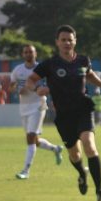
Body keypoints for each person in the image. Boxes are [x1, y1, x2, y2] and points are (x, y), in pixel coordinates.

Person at [24, 25, 101, 201]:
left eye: (70, 39)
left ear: (75, 41)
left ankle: (100, 192)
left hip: (83, 109)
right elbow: (30, 80)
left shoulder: (83, 60)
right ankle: (82, 173)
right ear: (57, 42)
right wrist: (37, 88)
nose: (67, 43)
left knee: (89, 145)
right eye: (63, 40)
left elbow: (89, 75)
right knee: (74, 155)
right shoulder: (50, 64)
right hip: (64, 116)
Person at [9, 44, 64, 180]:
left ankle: (26, 171)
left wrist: (41, 90)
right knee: (35, 141)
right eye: (26, 52)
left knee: (30, 138)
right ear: (23, 54)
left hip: (38, 105)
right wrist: (16, 89)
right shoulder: (18, 70)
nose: (28, 54)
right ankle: (56, 149)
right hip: (24, 107)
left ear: (35, 54)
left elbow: (52, 84)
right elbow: (11, 87)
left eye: (31, 52)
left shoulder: (42, 68)